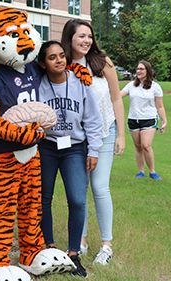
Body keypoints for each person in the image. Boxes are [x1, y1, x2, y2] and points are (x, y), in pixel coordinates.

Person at [61, 19, 125, 265]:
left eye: (89, 36)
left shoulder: (101, 62)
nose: (86, 40)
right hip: (76, 137)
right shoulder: (62, 64)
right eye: (81, 36)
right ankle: (82, 241)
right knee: (80, 190)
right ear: (70, 38)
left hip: (105, 132)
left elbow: (116, 98)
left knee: (99, 187)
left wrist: (120, 134)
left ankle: (107, 245)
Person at [37, 40, 103, 278]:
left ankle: (74, 253)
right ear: (43, 64)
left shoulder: (80, 83)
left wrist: (94, 150)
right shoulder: (38, 85)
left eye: (62, 56)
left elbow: (93, 119)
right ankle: (49, 248)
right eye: (52, 57)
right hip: (46, 146)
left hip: (74, 147)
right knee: (44, 196)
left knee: (77, 199)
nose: (59, 60)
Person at [120, 60, 167, 180]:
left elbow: (160, 106)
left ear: (148, 71)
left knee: (146, 145)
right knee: (138, 146)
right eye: (137, 69)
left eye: (141, 69)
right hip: (133, 119)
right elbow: (118, 95)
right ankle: (141, 172)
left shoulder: (155, 87)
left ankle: (152, 172)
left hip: (149, 119)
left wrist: (164, 120)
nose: (138, 71)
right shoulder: (131, 85)